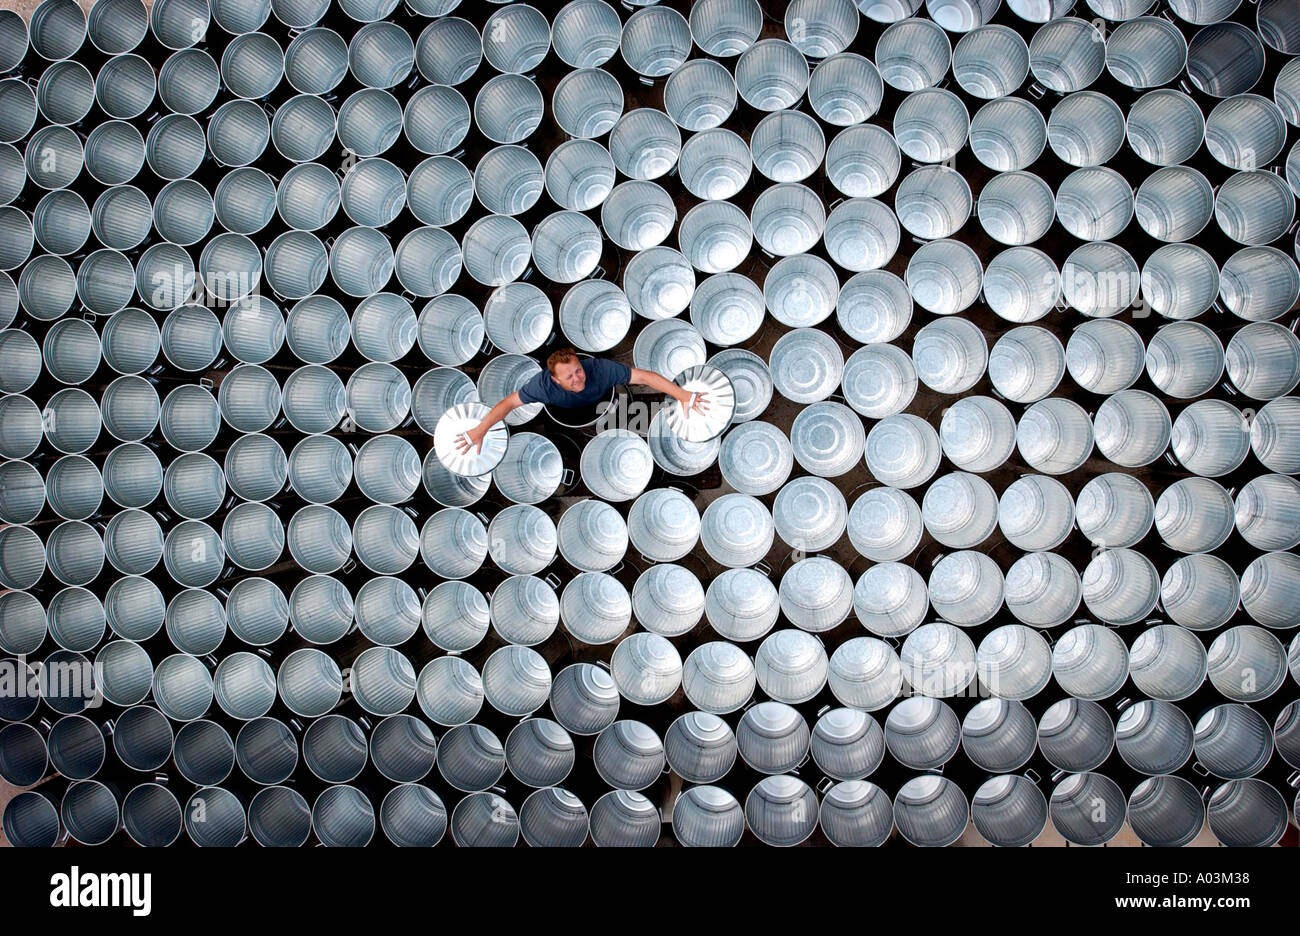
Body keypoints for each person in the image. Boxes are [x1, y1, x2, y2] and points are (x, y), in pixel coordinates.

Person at [456, 347, 709, 452]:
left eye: (578, 369)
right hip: (570, 410)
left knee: (611, 408)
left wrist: (683, 395)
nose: (578, 378)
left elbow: (644, 376)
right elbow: (508, 403)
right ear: (555, 380)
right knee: (581, 416)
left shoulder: (599, 369)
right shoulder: (542, 387)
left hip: (600, 399)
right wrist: (479, 430)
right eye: (569, 376)